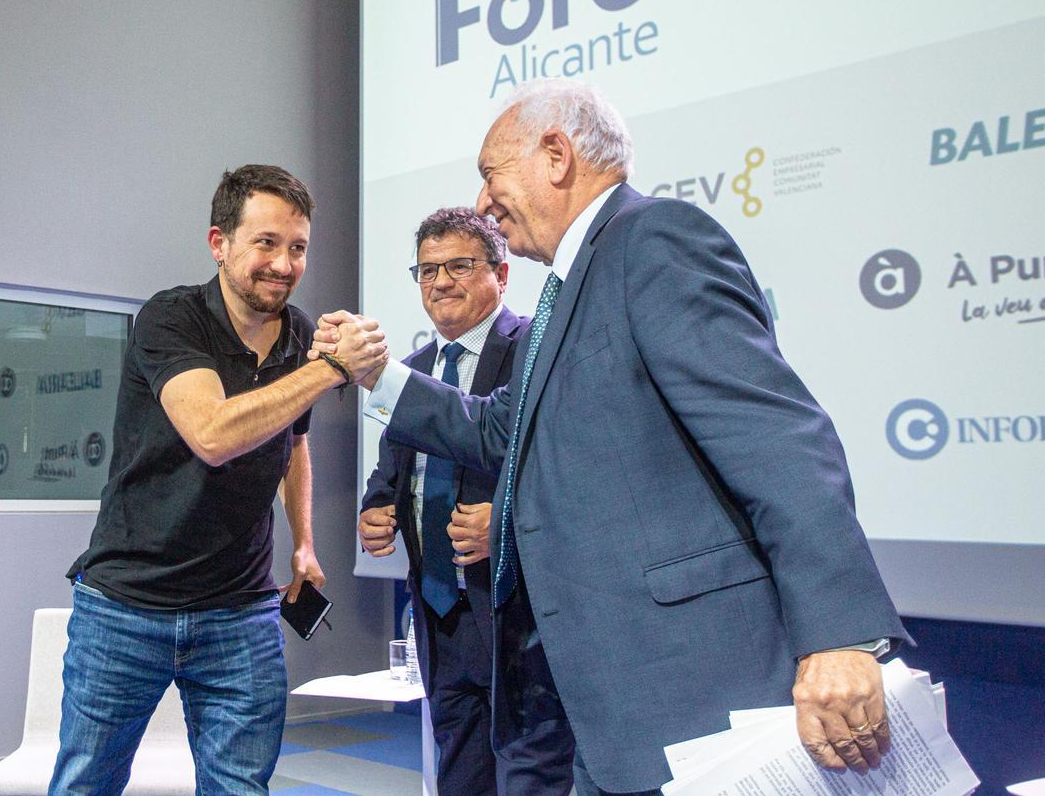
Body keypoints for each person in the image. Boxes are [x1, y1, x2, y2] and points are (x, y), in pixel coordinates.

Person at [316, 80, 909, 796]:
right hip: (606, 702)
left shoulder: (654, 241)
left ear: (556, 154)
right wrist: (377, 373)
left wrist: (839, 634)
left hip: (693, 691)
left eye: (490, 174)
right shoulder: (567, 288)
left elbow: (779, 442)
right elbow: (500, 427)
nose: (483, 201)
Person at [49, 164, 387, 796]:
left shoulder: (300, 334)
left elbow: (292, 442)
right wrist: (330, 369)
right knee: (85, 785)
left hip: (241, 612)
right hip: (127, 606)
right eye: (266, 243)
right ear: (219, 243)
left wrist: (304, 542)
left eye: (297, 248)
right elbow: (212, 434)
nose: (283, 265)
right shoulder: (170, 317)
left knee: (240, 788)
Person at [358, 207, 573, 796]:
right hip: (439, 614)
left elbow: (565, 468)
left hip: (517, 616)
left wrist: (504, 522)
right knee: (460, 775)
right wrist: (376, 510)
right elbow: (390, 473)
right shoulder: (410, 372)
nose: (440, 282)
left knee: (531, 776)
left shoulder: (534, 350)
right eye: (427, 270)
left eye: (459, 266)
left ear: (501, 274)